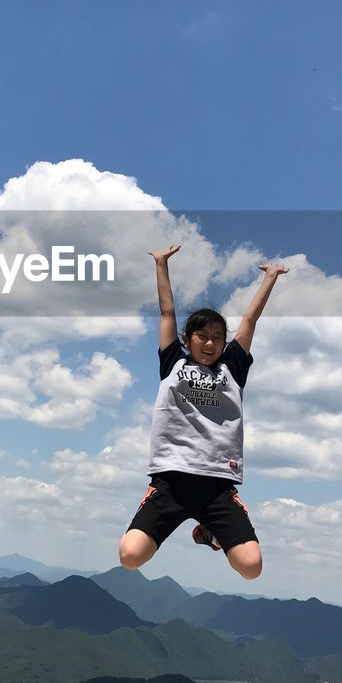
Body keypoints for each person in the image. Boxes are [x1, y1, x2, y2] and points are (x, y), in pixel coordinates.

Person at [118, 243, 287, 581]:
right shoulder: (172, 362)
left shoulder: (233, 369)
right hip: (171, 481)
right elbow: (166, 313)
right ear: (188, 338)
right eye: (202, 336)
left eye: (217, 337)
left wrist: (270, 277)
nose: (209, 343)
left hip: (217, 485)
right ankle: (199, 528)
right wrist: (161, 265)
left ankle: (208, 532)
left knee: (251, 568)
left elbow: (250, 319)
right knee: (130, 556)